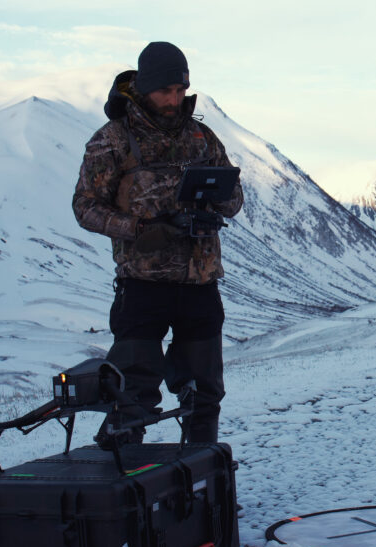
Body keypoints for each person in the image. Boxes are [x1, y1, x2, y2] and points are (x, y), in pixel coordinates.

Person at [72, 41, 243, 445]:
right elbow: (85, 207)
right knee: (131, 391)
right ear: (145, 87)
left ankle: (201, 470)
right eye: (166, 90)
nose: (174, 99)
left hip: (200, 283)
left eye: (181, 90)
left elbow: (235, 201)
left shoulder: (202, 137)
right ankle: (121, 470)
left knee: (205, 391)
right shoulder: (113, 139)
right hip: (142, 285)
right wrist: (139, 229)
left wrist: (219, 197)